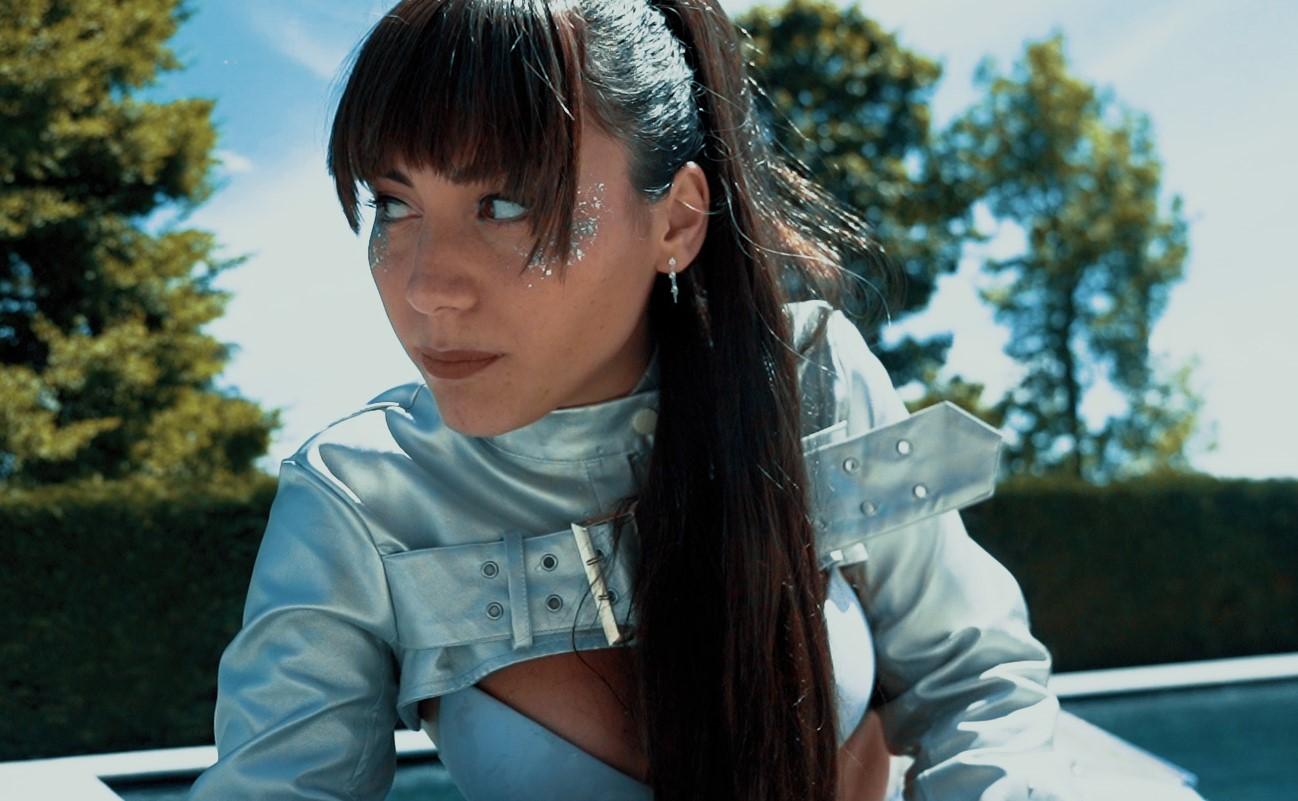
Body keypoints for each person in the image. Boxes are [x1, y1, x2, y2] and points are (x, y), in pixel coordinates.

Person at [187, 1, 1081, 799]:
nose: (427, 287)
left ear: (677, 221)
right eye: (393, 204)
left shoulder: (819, 381)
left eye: (505, 203)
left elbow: (980, 678)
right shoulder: (357, 498)